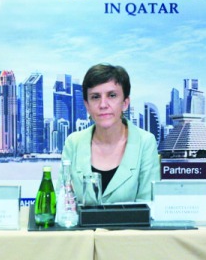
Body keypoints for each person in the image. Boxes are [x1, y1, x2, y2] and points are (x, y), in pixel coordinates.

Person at [62, 64, 161, 203]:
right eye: (95, 97)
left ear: (125, 103)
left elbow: (149, 205)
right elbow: (62, 202)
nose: (103, 104)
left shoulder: (145, 142)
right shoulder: (73, 142)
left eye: (112, 95)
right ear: (87, 105)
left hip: (131, 225)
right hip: (84, 225)